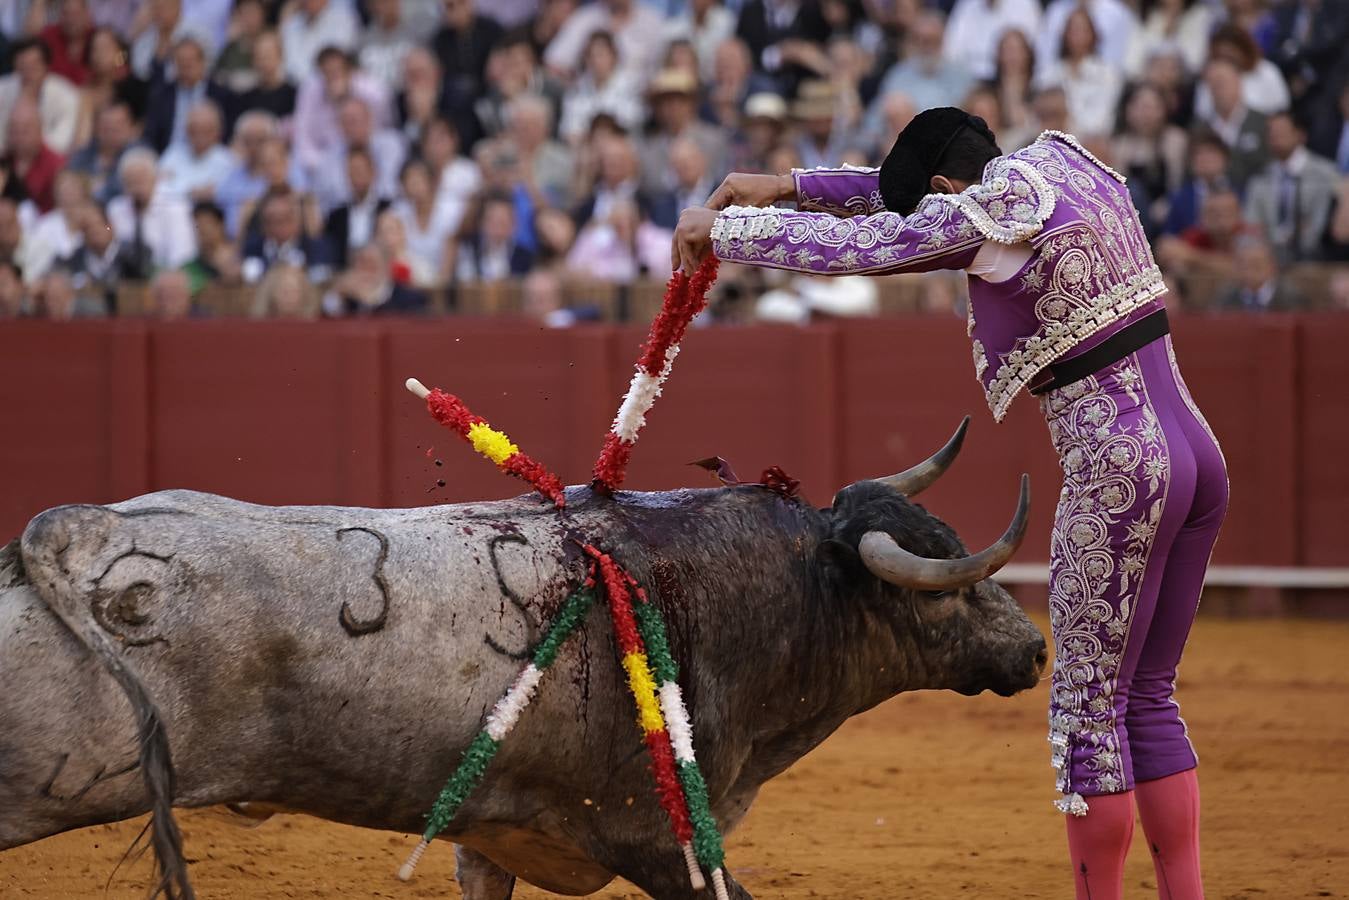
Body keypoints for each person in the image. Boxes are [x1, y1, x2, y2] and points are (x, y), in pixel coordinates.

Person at [674, 107, 1227, 900]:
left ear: (942, 188)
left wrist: (729, 232)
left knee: (1086, 717)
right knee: (1145, 697)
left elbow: (872, 244)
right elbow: (909, 204)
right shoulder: (1058, 166)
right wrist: (790, 185)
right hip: (1197, 456)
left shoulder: (984, 217)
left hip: (1120, 472)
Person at [1243, 110, 1341, 263]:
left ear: (1300, 135)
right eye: (1271, 133)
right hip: (1268, 257)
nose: (1274, 137)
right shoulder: (1259, 178)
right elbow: (1252, 225)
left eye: (1281, 131)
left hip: (1315, 258)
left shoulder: (1326, 174)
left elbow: (1321, 224)